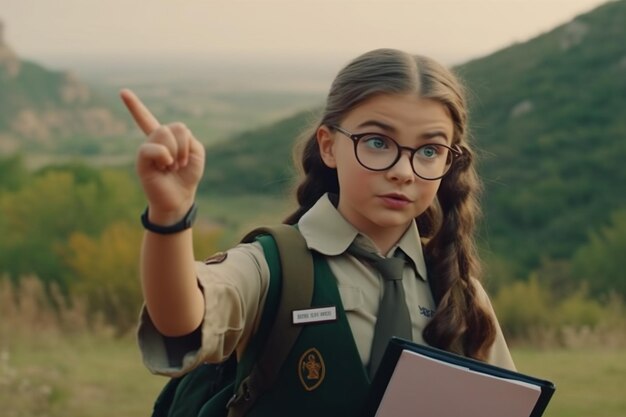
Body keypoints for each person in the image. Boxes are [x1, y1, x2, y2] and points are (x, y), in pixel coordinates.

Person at [121, 48, 515, 415]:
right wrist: (170, 216)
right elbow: (180, 319)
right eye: (377, 142)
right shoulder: (274, 268)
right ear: (328, 146)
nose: (404, 170)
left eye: (429, 151)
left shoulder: (457, 290)